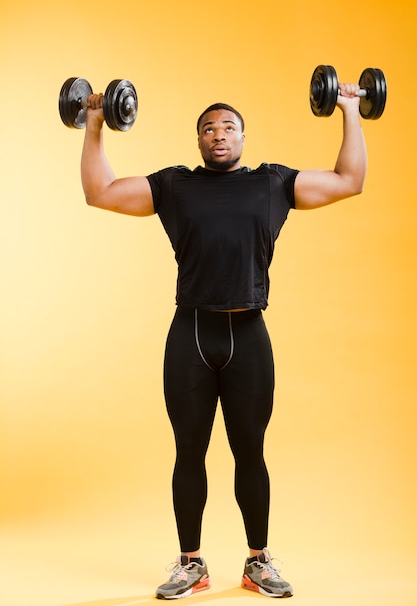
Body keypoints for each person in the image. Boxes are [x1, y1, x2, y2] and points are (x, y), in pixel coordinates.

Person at [80, 82, 367, 599]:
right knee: (188, 451)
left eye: (228, 127)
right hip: (190, 334)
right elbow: (100, 192)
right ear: (198, 141)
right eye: (208, 128)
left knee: (249, 452)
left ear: (243, 137)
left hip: (249, 335)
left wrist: (349, 108)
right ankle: (191, 563)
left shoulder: (274, 183)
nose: (219, 134)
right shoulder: (174, 186)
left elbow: (351, 180)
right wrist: (95, 124)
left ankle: (258, 561)